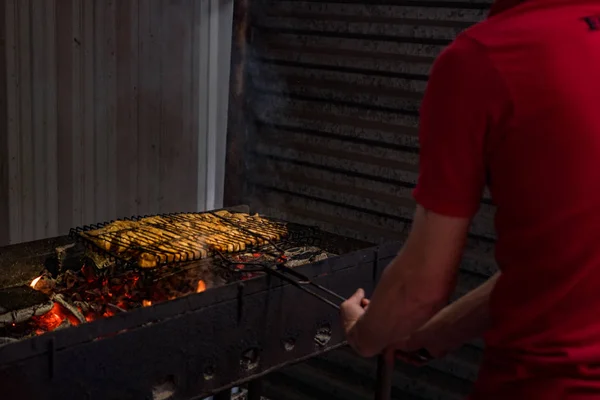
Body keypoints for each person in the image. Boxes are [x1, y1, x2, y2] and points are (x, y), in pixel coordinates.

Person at [340, 0, 600, 398]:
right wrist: (428, 334)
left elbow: (419, 288)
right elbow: (566, 261)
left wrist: (366, 336)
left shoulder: (486, 56)